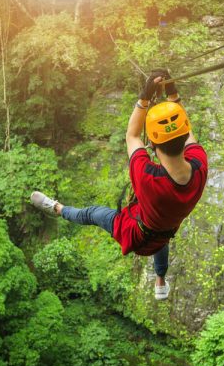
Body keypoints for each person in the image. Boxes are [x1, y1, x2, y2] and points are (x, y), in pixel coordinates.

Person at [31, 70, 208, 300]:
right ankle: (160, 281)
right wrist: (171, 96)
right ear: (184, 137)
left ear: (152, 144)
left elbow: (132, 135)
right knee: (160, 241)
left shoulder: (148, 177)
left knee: (92, 214)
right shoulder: (199, 166)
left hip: (136, 234)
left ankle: (57, 208)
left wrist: (146, 96)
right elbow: (184, 132)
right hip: (164, 229)